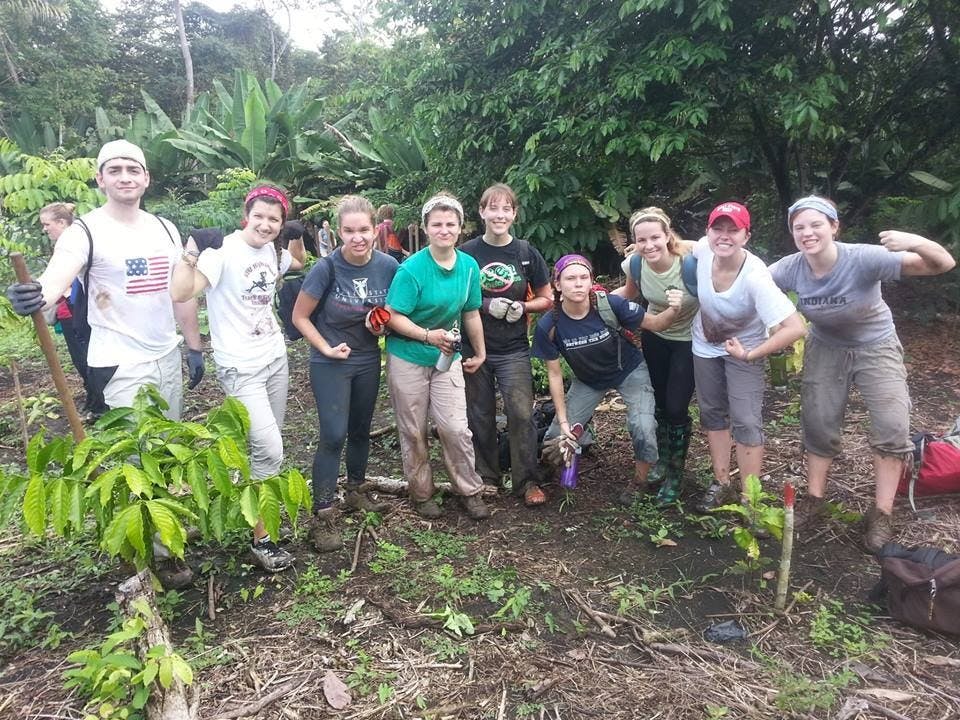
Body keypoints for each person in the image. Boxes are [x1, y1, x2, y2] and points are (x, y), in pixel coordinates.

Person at [769, 196, 956, 552]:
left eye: (816, 225)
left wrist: (913, 241)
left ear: (834, 227)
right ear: (792, 232)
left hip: (876, 345)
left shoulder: (863, 258)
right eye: (799, 227)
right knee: (819, 422)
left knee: (891, 425)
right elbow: (751, 283)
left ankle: (882, 513)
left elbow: (942, 264)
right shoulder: (790, 268)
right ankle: (814, 499)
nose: (807, 233)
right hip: (825, 346)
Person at [6, 140, 203, 421]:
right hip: (118, 365)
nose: (125, 177)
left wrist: (194, 348)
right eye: (115, 170)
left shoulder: (164, 228)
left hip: (167, 356)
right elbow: (55, 279)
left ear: (145, 178)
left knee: (169, 445)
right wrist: (33, 293)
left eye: (133, 170)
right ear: (101, 179)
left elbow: (180, 294)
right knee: (133, 456)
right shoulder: (84, 231)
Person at [170, 185, 304, 572]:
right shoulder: (222, 252)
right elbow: (181, 291)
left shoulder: (273, 251)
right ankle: (262, 537)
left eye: (274, 220)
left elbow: (298, 262)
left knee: (267, 445)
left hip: (275, 359)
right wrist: (192, 248)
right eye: (259, 216)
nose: (265, 224)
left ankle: (256, 508)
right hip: (239, 366)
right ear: (247, 214)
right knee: (270, 449)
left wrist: (295, 239)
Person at [292, 196, 399, 552]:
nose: (358, 237)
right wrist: (324, 347)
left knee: (360, 431)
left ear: (375, 230)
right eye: (350, 231)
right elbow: (300, 316)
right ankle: (323, 513)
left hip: (368, 358)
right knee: (333, 434)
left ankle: (355, 491)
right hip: (331, 362)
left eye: (364, 230)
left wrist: (382, 324)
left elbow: (394, 312)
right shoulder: (327, 268)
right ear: (339, 232)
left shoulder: (388, 266)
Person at [533, 254, 683, 504]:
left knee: (643, 427)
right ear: (558, 285)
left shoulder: (610, 305)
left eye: (584, 277)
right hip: (588, 379)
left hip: (630, 370)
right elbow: (555, 374)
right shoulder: (549, 325)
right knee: (556, 437)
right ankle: (552, 468)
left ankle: (639, 481)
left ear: (592, 281)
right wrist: (564, 420)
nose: (578, 284)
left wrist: (675, 308)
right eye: (570, 278)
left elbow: (656, 323)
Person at [690, 202, 806, 512]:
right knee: (712, 414)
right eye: (718, 229)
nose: (724, 236)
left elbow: (795, 327)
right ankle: (722, 482)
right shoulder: (703, 249)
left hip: (744, 351)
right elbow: (685, 246)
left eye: (733, 230)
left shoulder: (755, 277)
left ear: (746, 236)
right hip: (704, 346)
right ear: (708, 231)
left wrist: (751, 353)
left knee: (746, 421)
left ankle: (750, 499)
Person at [384, 193, 491, 521]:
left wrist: (481, 350)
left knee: (455, 427)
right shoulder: (412, 269)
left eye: (451, 224)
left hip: (448, 356)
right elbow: (392, 315)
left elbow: (471, 312)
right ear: (426, 229)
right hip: (409, 354)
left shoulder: (469, 267)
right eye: (437, 224)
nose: (444, 230)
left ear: (461, 228)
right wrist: (428, 335)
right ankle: (421, 492)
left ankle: (469, 489)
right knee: (413, 429)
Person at [460, 183, 552, 505]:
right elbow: (456, 295)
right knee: (480, 414)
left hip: (513, 347)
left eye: (506, 209)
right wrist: (485, 305)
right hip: (475, 346)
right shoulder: (468, 253)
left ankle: (526, 480)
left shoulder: (526, 253)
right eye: (493, 208)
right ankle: (487, 476)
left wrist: (523, 307)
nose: (499, 214)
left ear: (514, 214)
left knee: (521, 413)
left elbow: (547, 297)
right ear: (482, 212)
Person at [613, 207, 699, 505]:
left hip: (687, 342)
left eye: (655, 238)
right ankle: (662, 463)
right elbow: (628, 292)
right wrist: (595, 300)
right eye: (641, 239)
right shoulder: (635, 264)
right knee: (660, 405)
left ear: (667, 235)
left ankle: (676, 474)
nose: (649, 245)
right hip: (654, 338)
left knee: (676, 408)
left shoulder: (690, 262)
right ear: (634, 241)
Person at [38, 202, 98, 415]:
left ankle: (99, 404)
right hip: (69, 312)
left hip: (78, 312)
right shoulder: (66, 244)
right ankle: (94, 400)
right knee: (81, 359)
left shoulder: (75, 243)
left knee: (86, 359)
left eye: (47, 224)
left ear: (62, 222)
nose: (45, 230)